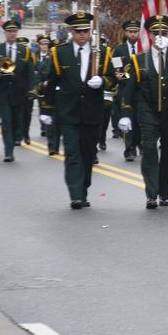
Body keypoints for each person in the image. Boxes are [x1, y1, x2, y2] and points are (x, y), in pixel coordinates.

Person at [117, 15, 168, 209]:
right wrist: (125, 113)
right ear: (150, 36)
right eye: (156, 33)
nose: (160, 36)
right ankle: (151, 193)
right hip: (148, 110)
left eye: (164, 33)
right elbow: (128, 87)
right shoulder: (138, 60)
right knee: (149, 148)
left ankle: (164, 192)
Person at [38, 12, 115, 209]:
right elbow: (51, 81)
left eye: (85, 31)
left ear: (90, 31)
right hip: (68, 111)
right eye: (78, 31)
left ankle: (83, 188)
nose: (82, 34)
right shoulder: (59, 52)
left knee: (88, 153)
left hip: (92, 111)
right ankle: (75, 195)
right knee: (72, 153)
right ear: (71, 32)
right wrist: (46, 109)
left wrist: (102, 81)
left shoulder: (102, 52)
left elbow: (113, 78)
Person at [0, 20, 34, 161]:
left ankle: (12, 142)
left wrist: (32, 89)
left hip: (19, 92)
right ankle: (9, 152)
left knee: (15, 122)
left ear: (17, 33)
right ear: (5, 33)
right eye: (9, 31)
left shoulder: (25, 51)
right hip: (2, 92)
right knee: (6, 122)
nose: (12, 34)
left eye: (14, 31)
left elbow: (30, 72)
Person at [112, 20, 142, 162]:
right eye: (130, 31)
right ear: (125, 33)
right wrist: (131, 77)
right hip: (125, 92)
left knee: (140, 121)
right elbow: (117, 73)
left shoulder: (144, 48)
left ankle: (140, 144)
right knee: (127, 121)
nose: (132, 34)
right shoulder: (118, 50)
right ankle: (129, 149)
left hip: (141, 92)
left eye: (135, 31)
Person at [34, 35, 60, 156]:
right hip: (48, 94)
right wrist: (42, 85)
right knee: (50, 122)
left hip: (61, 95)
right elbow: (39, 76)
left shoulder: (61, 61)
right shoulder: (44, 62)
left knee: (58, 121)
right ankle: (52, 146)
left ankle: (57, 144)